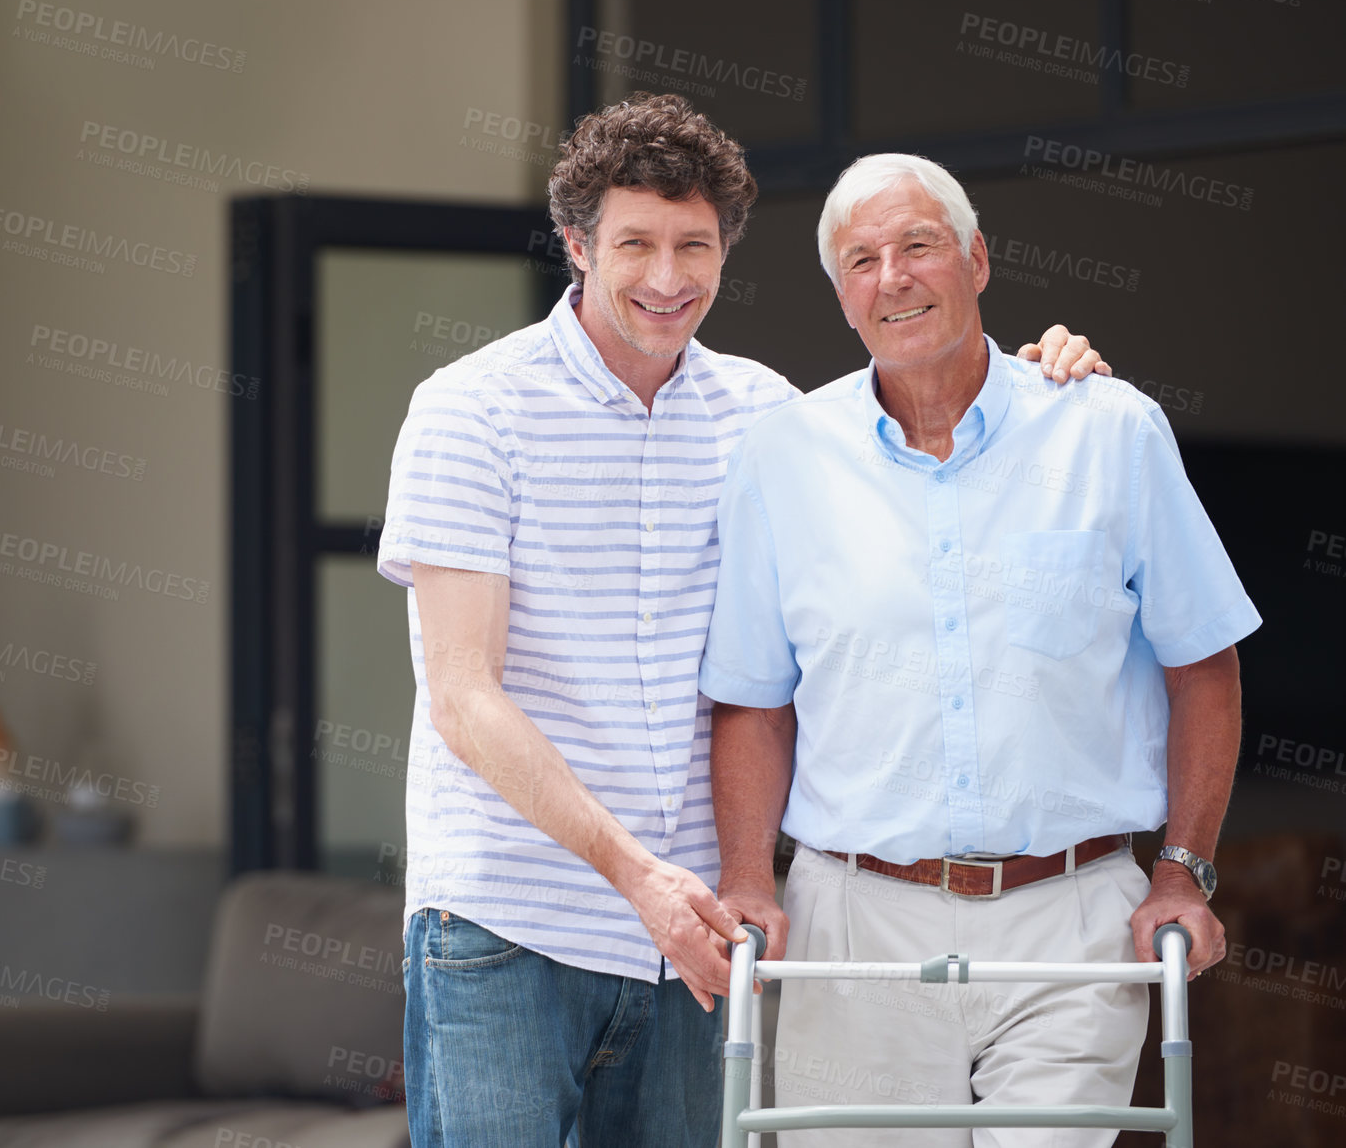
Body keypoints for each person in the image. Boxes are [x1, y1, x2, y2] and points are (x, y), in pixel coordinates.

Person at [377, 96, 1108, 1148]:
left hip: (702, 940)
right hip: (510, 922)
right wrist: (640, 877)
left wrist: (1046, 380)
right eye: (635, 244)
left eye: (695, 246)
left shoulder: (770, 418)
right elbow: (462, 695)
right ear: (578, 245)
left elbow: (925, 462)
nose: (669, 278)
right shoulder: (470, 411)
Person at [697, 152, 1260, 1147]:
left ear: (979, 259)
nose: (894, 277)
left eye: (919, 245)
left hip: (1072, 919)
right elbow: (754, 696)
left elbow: (1203, 664)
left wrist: (1182, 872)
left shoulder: (1110, 429)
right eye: (862, 260)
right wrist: (748, 877)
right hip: (853, 924)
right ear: (841, 298)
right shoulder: (781, 457)